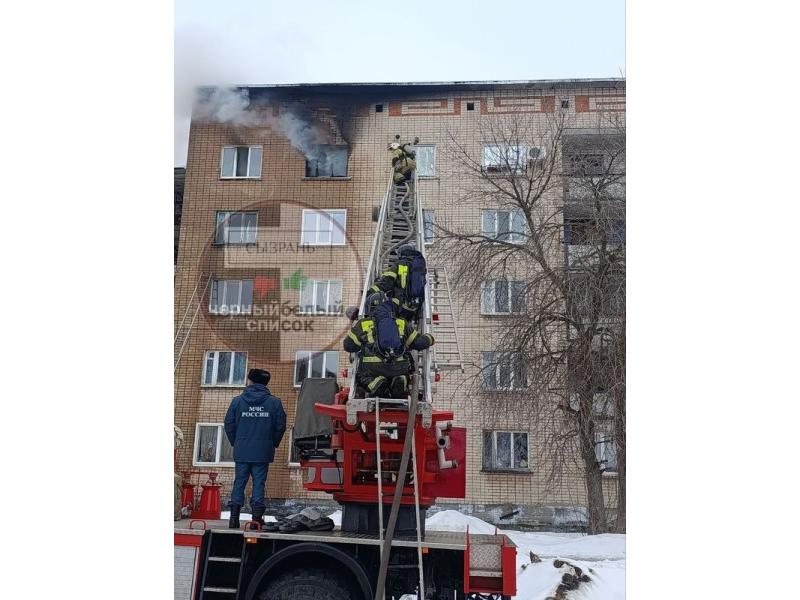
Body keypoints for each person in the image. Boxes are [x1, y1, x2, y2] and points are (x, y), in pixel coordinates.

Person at [224, 368, 287, 529]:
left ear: (251, 381)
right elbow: (280, 426)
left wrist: (236, 442)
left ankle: (234, 519)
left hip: (242, 450)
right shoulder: (274, 402)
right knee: (259, 483)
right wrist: (272, 443)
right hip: (263, 450)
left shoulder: (237, 401)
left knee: (239, 482)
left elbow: (229, 424)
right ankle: (256, 520)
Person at [343, 291, 434, 398]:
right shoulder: (401, 323)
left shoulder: (363, 324)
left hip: (373, 369)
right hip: (398, 367)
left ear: (369, 307)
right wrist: (430, 338)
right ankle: (400, 379)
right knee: (401, 373)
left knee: (361, 376)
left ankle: (376, 384)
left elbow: (348, 345)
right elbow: (417, 343)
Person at [369, 243, 427, 321]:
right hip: (415, 308)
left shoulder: (399, 264)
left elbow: (387, 283)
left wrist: (371, 291)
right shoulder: (420, 266)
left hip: (399, 305)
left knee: (379, 308)